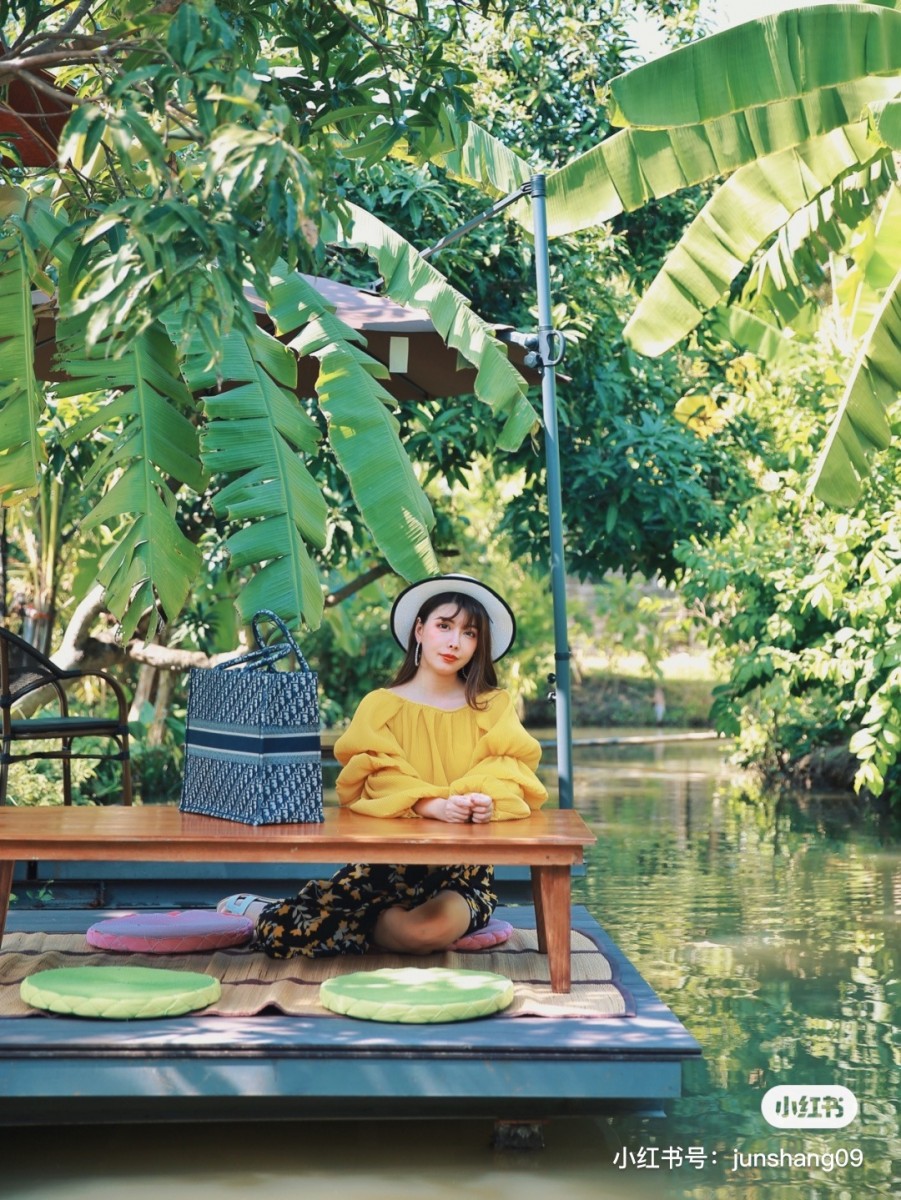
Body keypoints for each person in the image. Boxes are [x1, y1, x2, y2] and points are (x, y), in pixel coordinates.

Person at [218, 573, 548, 958]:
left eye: (469, 633)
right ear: (419, 630)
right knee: (300, 930)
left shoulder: (494, 705)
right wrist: (434, 805)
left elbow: (509, 769)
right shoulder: (379, 706)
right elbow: (372, 778)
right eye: (444, 626)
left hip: (464, 872)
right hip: (383, 867)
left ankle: (326, 918)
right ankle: (272, 913)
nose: (455, 641)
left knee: (424, 932)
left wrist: (483, 801)